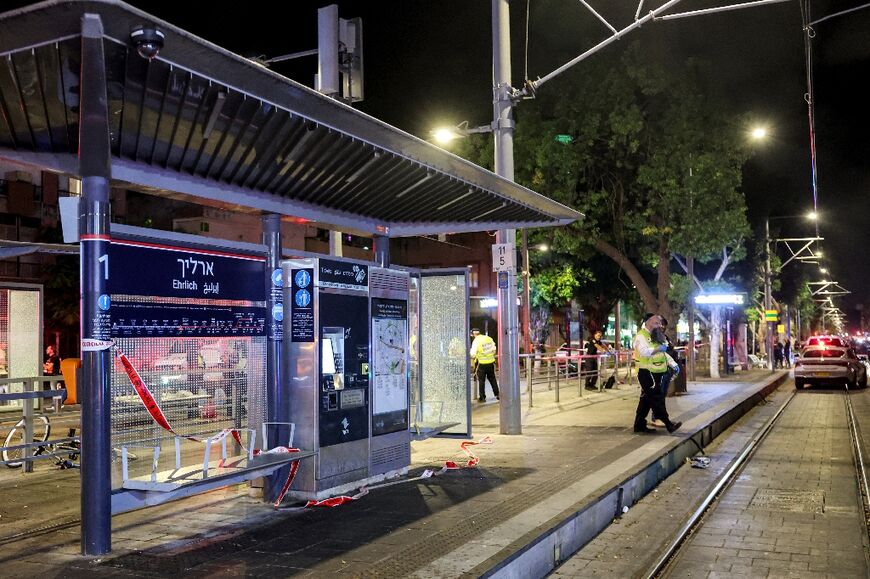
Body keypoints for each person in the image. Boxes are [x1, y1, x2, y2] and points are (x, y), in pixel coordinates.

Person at [633, 314, 682, 434]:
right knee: (656, 398)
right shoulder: (641, 336)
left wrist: (672, 364)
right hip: (645, 372)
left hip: (656, 372)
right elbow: (644, 352)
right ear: (648, 322)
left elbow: (663, 353)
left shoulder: (655, 335)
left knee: (646, 400)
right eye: (656, 323)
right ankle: (668, 423)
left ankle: (639, 425)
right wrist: (658, 349)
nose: (659, 325)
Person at [470, 328, 499, 402]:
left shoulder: (476, 341)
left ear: (474, 334)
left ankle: (482, 397)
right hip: (491, 363)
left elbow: (473, 354)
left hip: (482, 364)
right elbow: (494, 349)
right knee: (492, 379)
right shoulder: (488, 338)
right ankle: (497, 394)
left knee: (481, 381)